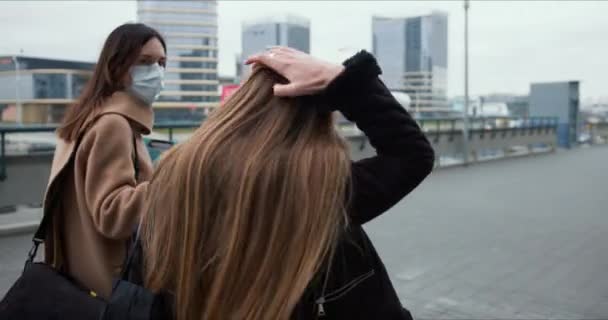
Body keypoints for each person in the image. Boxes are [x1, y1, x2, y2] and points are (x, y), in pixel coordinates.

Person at [139, 48, 434, 319]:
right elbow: (411, 154)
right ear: (318, 114)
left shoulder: (176, 170)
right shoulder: (320, 187)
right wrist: (343, 81)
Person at [42, 23, 166, 299]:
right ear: (117, 65)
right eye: (144, 62)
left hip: (78, 273)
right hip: (111, 281)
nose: (156, 72)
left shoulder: (87, 115)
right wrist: (174, 179)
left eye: (161, 62)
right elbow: (112, 214)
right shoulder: (114, 125)